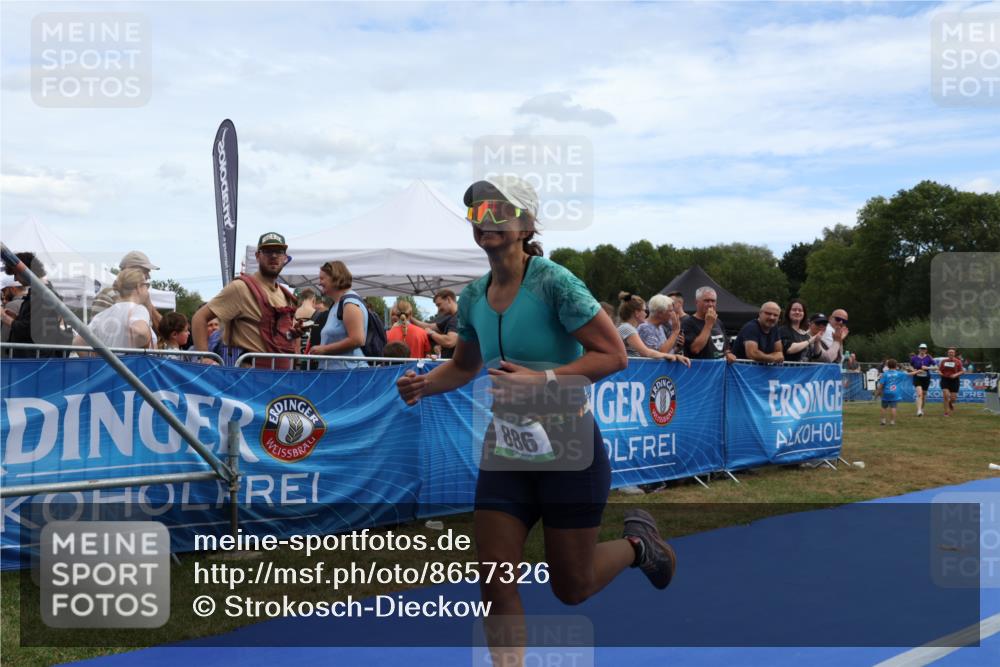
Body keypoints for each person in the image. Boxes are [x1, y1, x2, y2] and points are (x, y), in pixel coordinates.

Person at [395, 176, 676, 666]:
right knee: (495, 583)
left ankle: (639, 546)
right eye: (477, 213)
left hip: (569, 449)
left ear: (525, 224)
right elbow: (464, 365)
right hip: (507, 449)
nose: (486, 221)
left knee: (573, 587)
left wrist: (543, 381)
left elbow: (613, 356)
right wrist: (425, 382)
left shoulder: (554, 282)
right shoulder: (472, 297)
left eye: (499, 211)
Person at [192, 232, 300, 369]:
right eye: (267, 251)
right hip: (251, 378)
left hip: (282, 376)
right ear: (257, 256)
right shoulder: (241, 288)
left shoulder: (285, 295)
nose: (273, 256)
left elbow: (285, 337)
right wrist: (205, 357)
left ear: (285, 257)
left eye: (279, 252)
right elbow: (199, 318)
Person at [2, 252, 73, 357]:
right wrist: (17, 318)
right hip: (35, 359)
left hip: (34, 361)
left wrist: (3, 317)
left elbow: (28, 331)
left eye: (15, 274)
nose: (15, 279)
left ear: (25, 271)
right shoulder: (41, 293)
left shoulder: (42, 295)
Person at [74, 268, 155, 350]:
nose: (147, 290)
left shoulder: (102, 315)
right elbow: (140, 332)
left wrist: (98, 359)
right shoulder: (138, 310)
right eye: (146, 285)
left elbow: (77, 342)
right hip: (132, 362)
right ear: (138, 287)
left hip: (106, 362)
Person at [308, 260, 369, 369]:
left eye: (322, 278)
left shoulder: (349, 303)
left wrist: (324, 349)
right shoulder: (338, 303)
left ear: (335, 277)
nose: (319, 282)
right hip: (340, 374)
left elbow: (357, 339)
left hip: (348, 374)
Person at [91, 250, 163, 332]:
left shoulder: (140, 297)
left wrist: (148, 303)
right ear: (130, 269)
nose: (148, 276)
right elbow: (97, 332)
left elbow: (158, 328)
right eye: (146, 271)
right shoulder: (107, 295)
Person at [617, 292, 689, 365]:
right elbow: (646, 352)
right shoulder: (627, 328)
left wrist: (675, 351)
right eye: (645, 310)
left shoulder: (629, 328)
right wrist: (675, 332)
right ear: (637, 313)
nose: (646, 314)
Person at [680, 286, 736, 362]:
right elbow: (695, 349)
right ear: (697, 302)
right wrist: (708, 324)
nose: (710, 304)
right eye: (706, 301)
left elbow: (725, 346)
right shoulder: (688, 322)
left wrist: (728, 353)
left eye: (713, 301)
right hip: (700, 370)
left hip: (718, 370)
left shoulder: (718, 321)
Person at [413, 289, 460, 359]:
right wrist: (411, 319)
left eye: (439, 305)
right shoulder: (451, 318)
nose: (438, 309)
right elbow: (429, 326)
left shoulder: (458, 318)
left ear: (448, 299)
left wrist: (432, 333)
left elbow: (449, 341)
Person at [909, 343, 937, 417]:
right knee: (919, 394)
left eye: (924, 349)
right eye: (921, 348)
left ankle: (921, 409)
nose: (922, 350)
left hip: (926, 378)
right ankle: (918, 411)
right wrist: (913, 370)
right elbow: (910, 366)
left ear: (926, 350)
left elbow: (936, 367)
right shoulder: (914, 358)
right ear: (919, 349)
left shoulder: (929, 357)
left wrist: (927, 368)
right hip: (917, 377)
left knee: (924, 394)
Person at [878, 359, 906, 426]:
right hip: (894, 392)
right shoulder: (899, 373)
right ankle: (892, 421)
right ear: (896, 365)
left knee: (883, 407)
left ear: (887, 366)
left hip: (886, 392)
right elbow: (909, 374)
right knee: (893, 407)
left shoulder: (885, 374)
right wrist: (917, 371)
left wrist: (878, 392)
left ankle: (883, 421)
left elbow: (881, 385)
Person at [938, 347, 965, 417]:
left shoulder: (958, 361)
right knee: (946, 396)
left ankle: (950, 403)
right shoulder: (944, 361)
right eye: (949, 352)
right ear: (947, 353)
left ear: (954, 354)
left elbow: (962, 371)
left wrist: (955, 374)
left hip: (954, 380)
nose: (951, 353)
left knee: (953, 398)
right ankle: (946, 412)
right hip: (945, 379)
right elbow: (939, 370)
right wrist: (939, 373)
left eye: (952, 352)